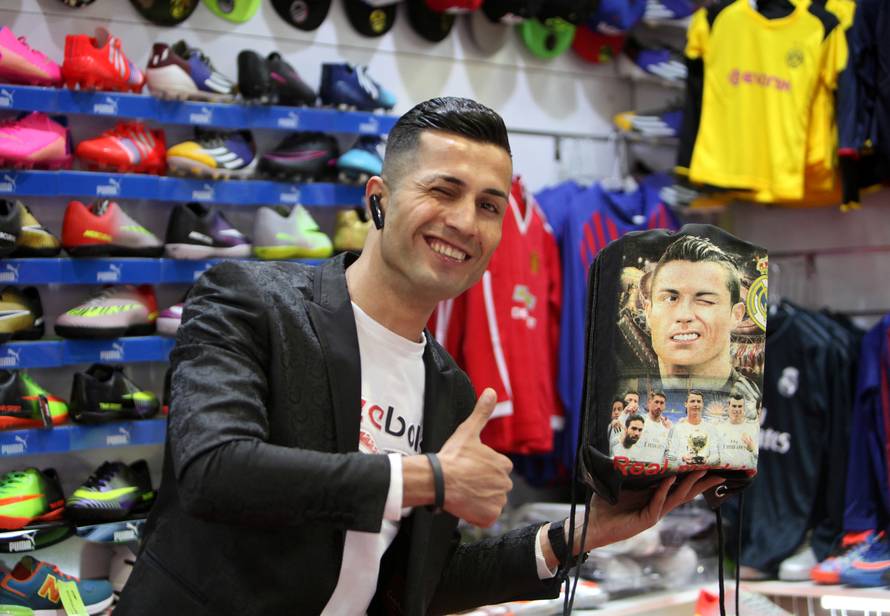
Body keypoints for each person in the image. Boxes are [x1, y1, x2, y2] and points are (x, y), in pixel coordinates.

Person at [115, 97, 722, 616]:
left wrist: (577, 536)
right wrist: (429, 478)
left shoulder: (450, 390)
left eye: (489, 205)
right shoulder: (249, 301)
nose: (465, 221)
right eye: (443, 190)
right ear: (377, 198)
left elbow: (418, 583)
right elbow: (213, 469)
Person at [644, 235, 759, 405]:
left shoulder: (753, 408)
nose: (684, 315)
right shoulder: (623, 405)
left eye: (705, 301)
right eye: (670, 299)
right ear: (648, 311)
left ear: (736, 315)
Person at [667, 390, 721, 467]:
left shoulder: (711, 428)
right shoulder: (677, 428)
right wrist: (682, 459)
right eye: (692, 401)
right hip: (682, 473)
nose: (696, 404)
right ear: (686, 404)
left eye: (699, 401)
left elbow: (716, 456)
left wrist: (707, 461)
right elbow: (670, 456)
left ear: (702, 404)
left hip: (704, 472)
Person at [717, 394, 758, 468]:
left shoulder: (752, 428)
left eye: (740, 406)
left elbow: (757, 457)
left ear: (744, 408)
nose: (737, 409)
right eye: (734, 406)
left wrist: (752, 448)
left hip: (744, 474)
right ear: (728, 407)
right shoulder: (719, 427)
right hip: (722, 472)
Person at [634, 391, 672, 464]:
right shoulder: (640, 421)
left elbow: (669, 451)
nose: (659, 406)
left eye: (661, 403)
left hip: (658, 471)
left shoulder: (668, 426)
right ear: (649, 403)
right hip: (640, 468)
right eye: (656, 402)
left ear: (665, 406)